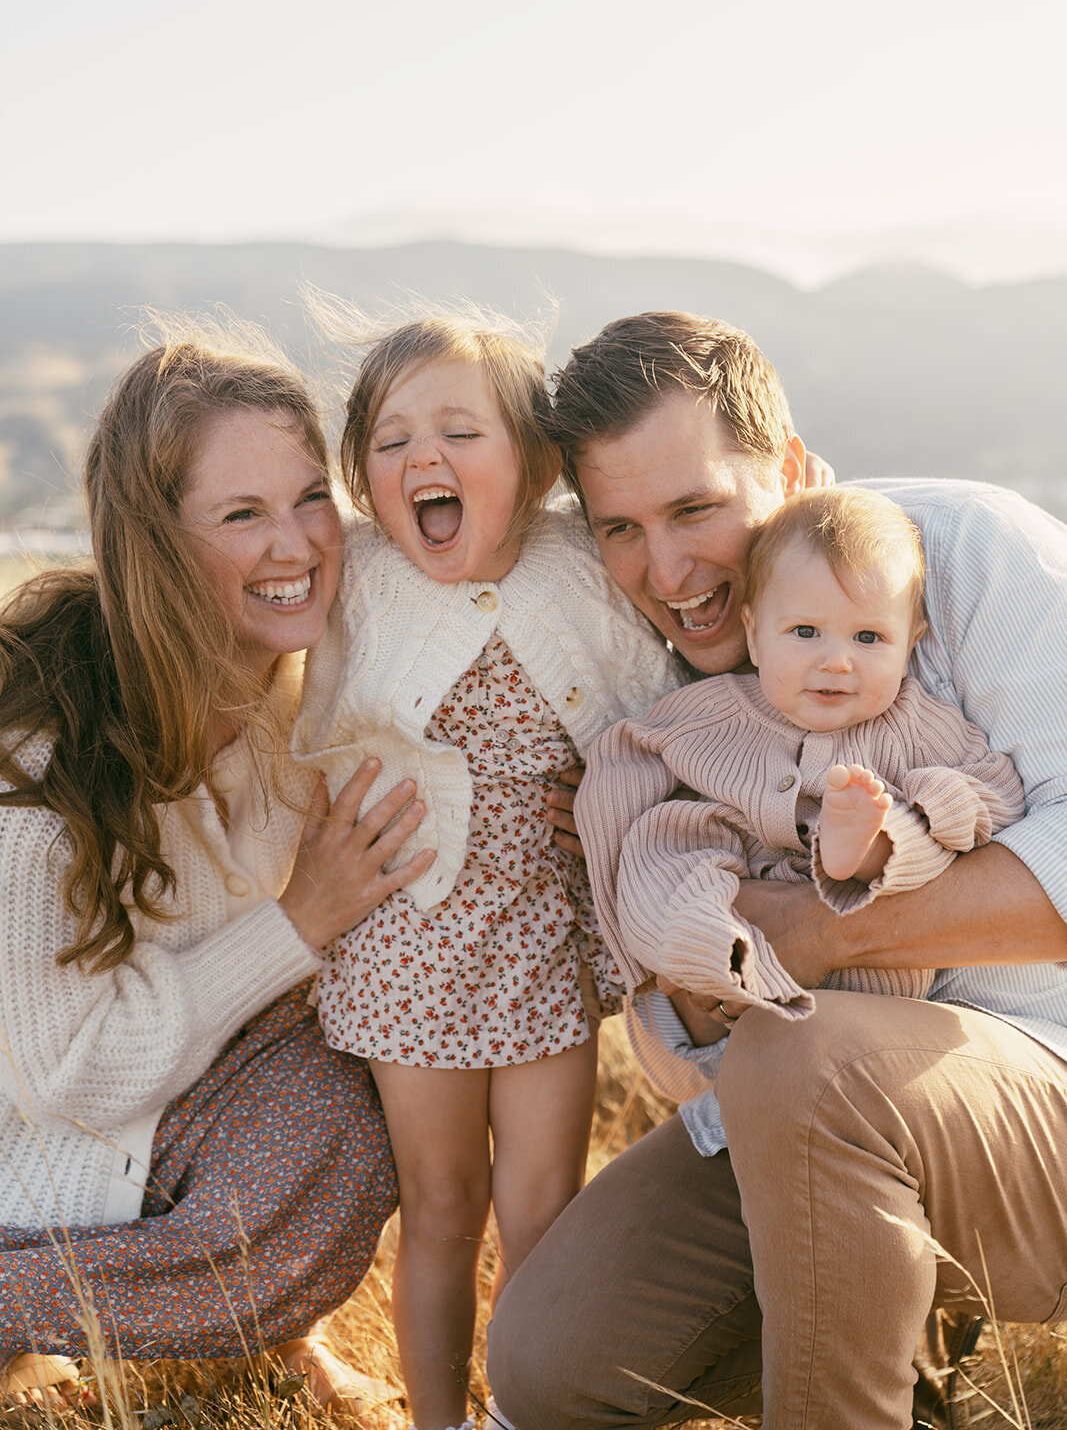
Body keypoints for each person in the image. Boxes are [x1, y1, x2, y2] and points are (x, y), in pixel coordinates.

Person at [488, 310, 1067, 1430]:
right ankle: (906, 1362)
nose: (666, 570)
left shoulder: (976, 556)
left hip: (1046, 1084)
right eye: (619, 527)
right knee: (552, 1362)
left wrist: (809, 926)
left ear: (792, 466)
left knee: (805, 1064)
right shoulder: (660, 685)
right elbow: (679, 1037)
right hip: (809, 1113)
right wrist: (663, 921)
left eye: (695, 508)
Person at [0, 324, 431, 1423]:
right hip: (38, 1131)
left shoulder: (297, 688)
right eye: (241, 514)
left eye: (307, 498)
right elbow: (71, 1075)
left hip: (171, 1089)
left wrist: (602, 804)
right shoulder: (38, 773)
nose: (295, 544)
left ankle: (279, 1336)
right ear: (155, 546)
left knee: (378, 1065)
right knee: (327, 1129)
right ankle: (19, 1296)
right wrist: (297, 921)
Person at [291, 302, 682, 1430]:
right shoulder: (357, 575)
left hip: (541, 943)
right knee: (444, 1203)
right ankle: (436, 1420)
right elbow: (275, 697)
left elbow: (656, 711)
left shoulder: (582, 564)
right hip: (407, 939)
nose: (426, 457)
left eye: (461, 431)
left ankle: (522, 1407)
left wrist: (616, 797)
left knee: (544, 1203)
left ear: (537, 460)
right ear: (364, 476)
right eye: (392, 437)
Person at [579, 486, 1024, 1052]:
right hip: (726, 912)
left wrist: (926, 807)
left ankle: (864, 849)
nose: (835, 660)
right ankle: (706, 949)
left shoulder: (920, 722)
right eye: (805, 632)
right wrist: (613, 850)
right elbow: (625, 754)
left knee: (917, 825)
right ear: (755, 633)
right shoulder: (713, 712)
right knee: (661, 839)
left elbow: (1000, 790)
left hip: (871, 1004)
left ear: (911, 643)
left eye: (868, 637)